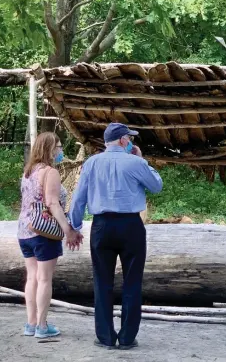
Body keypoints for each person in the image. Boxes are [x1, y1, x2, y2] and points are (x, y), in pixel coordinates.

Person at [69, 123, 163, 350]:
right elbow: (156, 186)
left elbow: (79, 197)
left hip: (101, 226)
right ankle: (128, 337)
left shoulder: (91, 163)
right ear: (123, 140)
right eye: (129, 138)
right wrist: (143, 160)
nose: (131, 141)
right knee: (132, 281)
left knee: (102, 282)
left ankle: (105, 337)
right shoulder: (136, 162)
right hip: (130, 225)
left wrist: (74, 225)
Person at [18, 132, 82, 338]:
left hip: (24, 230)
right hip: (44, 232)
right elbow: (52, 203)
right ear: (49, 149)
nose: (61, 150)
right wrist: (68, 230)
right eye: (59, 146)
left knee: (32, 278)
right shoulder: (50, 172)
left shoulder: (28, 172)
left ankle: (31, 323)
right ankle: (42, 326)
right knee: (45, 279)